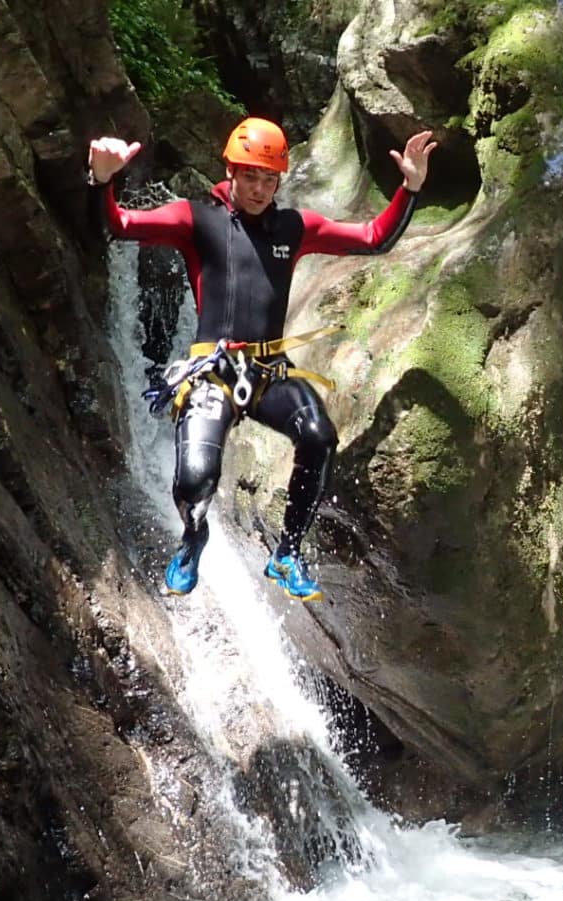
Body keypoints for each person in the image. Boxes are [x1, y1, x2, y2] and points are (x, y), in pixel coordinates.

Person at [88, 117, 436, 601]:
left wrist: (411, 188)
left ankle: (287, 554)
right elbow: (120, 225)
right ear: (230, 170)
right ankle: (193, 537)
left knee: (319, 435)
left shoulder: (294, 228)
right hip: (211, 373)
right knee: (193, 481)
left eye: (269, 179)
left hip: (269, 373)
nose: (259, 188)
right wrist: (103, 180)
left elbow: (375, 237)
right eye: (250, 176)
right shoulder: (197, 218)